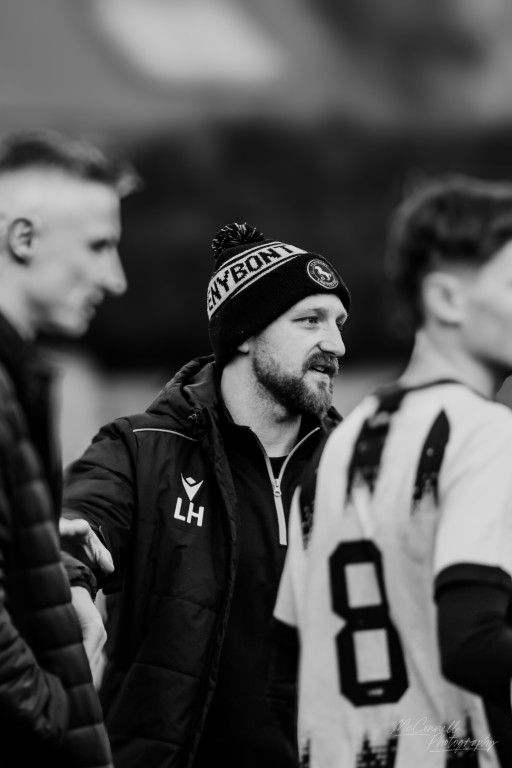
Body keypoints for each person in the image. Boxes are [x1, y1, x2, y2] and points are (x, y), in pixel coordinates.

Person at [59, 221, 351, 768]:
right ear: (244, 333)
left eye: (338, 323)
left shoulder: (359, 465)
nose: (335, 344)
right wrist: (68, 579)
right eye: (310, 320)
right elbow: (78, 521)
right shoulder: (140, 450)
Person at [270, 174, 512, 767]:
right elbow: (474, 641)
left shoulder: (340, 443)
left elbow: (286, 651)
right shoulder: (483, 432)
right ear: (447, 299)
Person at [0, 128, 136, 768]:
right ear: (23, 239)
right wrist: (55, 712)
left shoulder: (16, 377)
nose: (116, 279)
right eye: (98, 246)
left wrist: (35, 540)